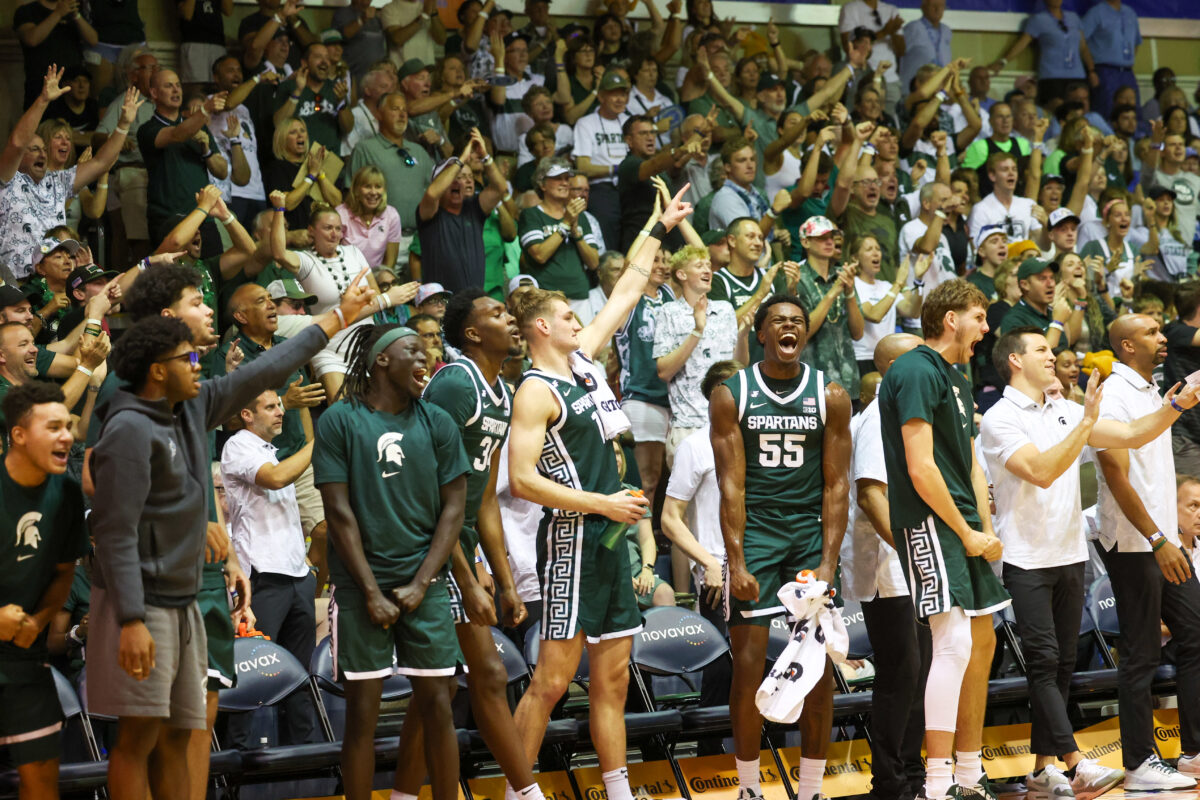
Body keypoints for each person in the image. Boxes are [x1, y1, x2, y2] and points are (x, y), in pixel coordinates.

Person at [88, 274, 373, 800]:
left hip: (187, 595)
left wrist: (337, 319)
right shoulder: (127, 422)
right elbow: (114, 530)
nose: (201, 371)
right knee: (139, 738)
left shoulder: (191, 404)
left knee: (185, 731)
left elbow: (265, 369)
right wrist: (130, 618)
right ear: (159, 364)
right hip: (145, 599)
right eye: (189, 362)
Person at [506, 186, 692, 800]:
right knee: (552, 681)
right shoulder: (535, 390)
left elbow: (625, 291)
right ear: (541, 326)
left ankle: (617, 789)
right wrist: (602, 503)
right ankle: (519, 790)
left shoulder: (584, 361)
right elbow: (523, 480)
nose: (579, 323)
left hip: (612, 540)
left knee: (613, 682)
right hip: (572, 541)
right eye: (567, 317)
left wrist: (659, 228)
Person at [983, 327, 1200, 798]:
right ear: (1016, 361)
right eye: (1041, 349)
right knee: (1044, 662)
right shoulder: (1000, 418)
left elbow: (1134, 433)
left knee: (1060, 665)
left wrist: (1178, 406)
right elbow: (1041, 471)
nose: (1053, 355)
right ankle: (1079, 762)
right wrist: (1083, 424)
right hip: (1025, 556)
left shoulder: (1064, 411)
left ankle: (1042, 770)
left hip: (1070, 553)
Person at [394, 287, 544, 800]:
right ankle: (527, 793)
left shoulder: (501, 390)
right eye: (498, 313)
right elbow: (432, 494)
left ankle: (401, 794)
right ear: (473, 333)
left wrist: (504, 580)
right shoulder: (456, 384)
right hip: (426, 547)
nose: (512, 318)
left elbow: (481, 500)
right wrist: (466, 577)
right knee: (488, 674)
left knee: (438, 687)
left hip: (457, 544)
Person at [710, 293, 852, 800]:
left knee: (816, 667)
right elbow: (731, 487)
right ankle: (749, 788)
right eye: (779, 322)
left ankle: (811, 788)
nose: (789, 327)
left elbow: (837, 486)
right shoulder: (732, 393)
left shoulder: (831, 394)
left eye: (797, 321)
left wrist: (828, 561)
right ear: (762, 333)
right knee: (748, 665)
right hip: (758, 532)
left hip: (807, 533)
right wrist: (738, 559)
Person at [315, 321, 465, 800]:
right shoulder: (340, 420)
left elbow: (454, 509)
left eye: (428, 351)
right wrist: (373, 592)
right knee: (362, 714)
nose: (425, 359)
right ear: (381, 359)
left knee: (439, 706)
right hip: (363, 589)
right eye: (413, 351)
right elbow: (338, 515)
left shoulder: (437, 421)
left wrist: (422, 583)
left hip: (426, 582)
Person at [877, 279, 1010, 800]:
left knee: (982, 641)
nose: (985, 327)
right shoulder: (913, 368)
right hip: (931, 522)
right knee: (952, 643)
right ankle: (936, 785)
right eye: (978, 317)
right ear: (951, 318)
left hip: (963, 525)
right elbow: (920, 467)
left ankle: (969, 773)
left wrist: (987, 529)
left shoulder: (958, 375)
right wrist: (964, 530)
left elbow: (971, 464)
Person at [1093, 314, 1200, 790]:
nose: (1163, 338)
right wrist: (1158, 539)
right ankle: (1138, 763)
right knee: (1139, 655)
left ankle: (1193, 753)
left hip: (1164, 540)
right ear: (1126, 345)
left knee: (1196, 633)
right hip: (1136, 543)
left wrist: (1169, 535)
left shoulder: (1150, 388)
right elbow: (1115, 475)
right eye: (1153, 333)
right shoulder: (1113, 394)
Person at [841, 333, 929, 800]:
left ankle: (914, 777)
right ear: (896, 366)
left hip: (914, 562)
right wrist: (913, 553)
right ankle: (890, 784)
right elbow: (871, 494)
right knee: (901, 674)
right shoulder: (878, 417)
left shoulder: (906, 414)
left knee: (920, 673)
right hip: (889, 566)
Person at [0, 381, 89, 800]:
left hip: (24, 659)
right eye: (52, 427)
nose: (67, 436)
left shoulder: (67, 493)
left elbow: (62, 573)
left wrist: (37, 621)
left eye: (68, 426)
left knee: (42, 786)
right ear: (18, 434)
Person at [219, 388, 317, 745]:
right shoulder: (238, 446)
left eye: (280, 405)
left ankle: (308, 768)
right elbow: (274, 479)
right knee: (251, 675)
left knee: (299, 680)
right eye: (271, 407)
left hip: (297, 577)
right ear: (247, 414)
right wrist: (318, 442)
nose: (280, 412)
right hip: (261, 579)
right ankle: (235, 770)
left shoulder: (270, 451)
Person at [0, 67, 139, 283]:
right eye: (34, 149)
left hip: (56, 283)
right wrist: (44, 100)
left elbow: (102, 162)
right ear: (19, 157)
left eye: (43, 149)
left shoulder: (58, 180)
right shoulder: (7, 180)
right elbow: (17, 142)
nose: (42, 154)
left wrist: (123, 124)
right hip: (18, 284)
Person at [654, 245, 748, 462]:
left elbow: (740, 365)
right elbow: (664, 372)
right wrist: (697, 329)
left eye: (708, 265)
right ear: (681, 274)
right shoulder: (669, 312)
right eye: (699, 265)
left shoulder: (725, 309)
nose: (708, 270)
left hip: (730, 422)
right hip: (688, 425)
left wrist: (742, 337)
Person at [138, 69, 229, 243]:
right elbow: (177, 134)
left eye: (178, 85)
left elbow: (222, 171)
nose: (176, 90)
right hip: (168, 219)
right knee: (171, 271)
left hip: (204, 217)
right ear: (154, 93)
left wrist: (206, 149)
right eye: (168, 86)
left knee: (212, 269)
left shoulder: (199, 127)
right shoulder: (147, 130)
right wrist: (206, 109)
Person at [349, 92, 437, 270]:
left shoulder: (419, 151)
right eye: (395, 109)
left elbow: (435, 191)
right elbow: (351, 196)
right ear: (379, 114)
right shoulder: (365, 149)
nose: (402, 114)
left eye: (404, 110)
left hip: (421, 240)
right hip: (381, 241)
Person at [417, 129, 507, 293]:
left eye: (466, 177)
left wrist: (485, 157)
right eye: (455, 177)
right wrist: (460, 160)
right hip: (441, 304)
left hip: (473, 302)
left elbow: (500, 188)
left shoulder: (474, 208)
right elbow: (432, 193)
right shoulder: (430, 213)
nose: (460, 183)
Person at [517, 159, 601, 321]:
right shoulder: (532, 215)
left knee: (583, 345)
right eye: (557, 178)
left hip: (579, 295)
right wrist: (566, 224)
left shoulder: (580, 217)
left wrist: (576, 231)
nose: (564, 183)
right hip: (547, 297)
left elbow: (594, 263)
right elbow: (539, 255)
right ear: (542, 184)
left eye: (566, 178)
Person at [793, 216, 865, 397]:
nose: (829, 241)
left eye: (832, 237)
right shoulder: (797, 279)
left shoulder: (842, 275)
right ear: (805, 242)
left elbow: (858, 333)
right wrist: (833, 292)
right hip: (813, 383)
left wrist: (849, 293)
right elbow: (803, 333)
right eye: (821, 237)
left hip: (849, 381)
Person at [572, 71, 632, 248]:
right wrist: (616, 169)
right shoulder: (586, 123)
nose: (620, 99)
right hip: (602, 188)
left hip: (629, 188)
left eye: (623, 94)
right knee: (608, 234)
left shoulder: (630, 121)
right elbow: (583, 167)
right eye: (614, 94)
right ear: (601, 96)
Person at [14, 0, 98, 109]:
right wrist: (58, 14)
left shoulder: (72, 10)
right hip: (41, 85)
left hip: (71, 86)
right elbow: (31, 39)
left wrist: (76, 16)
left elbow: (93, 40)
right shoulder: (27, 11)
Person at [273, 43, 353, 153]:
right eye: (318, 57)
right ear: (304, 63)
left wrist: (341, 103)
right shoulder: (289, 87)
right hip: (298, 162)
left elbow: (348, 128)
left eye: (327, 58)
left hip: (329, 162)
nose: (324, 61)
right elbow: (278, 124)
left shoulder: (336, 89)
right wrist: (298, 91)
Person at [1082, 0, 1140, 123]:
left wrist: (1127, 61)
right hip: (1105, 71)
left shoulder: (1130, 13)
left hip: (1127, 72)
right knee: (1107, 112)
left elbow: (1136, 42)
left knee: (1132, 113)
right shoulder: (1096, 12)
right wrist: (1091, 69)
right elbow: (1080, 40)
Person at [338, 165, 403, 273]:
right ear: (356, 190)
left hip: (377, 279)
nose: (373, 192)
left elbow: (390, 264)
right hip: (346, 277)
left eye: (378, 186)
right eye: (367, 186)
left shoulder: (391, 215)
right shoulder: (341, 214)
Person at [898, 0, 951, 101]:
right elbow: (898, 54)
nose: (937, 9)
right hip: (913, 91)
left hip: (938, 92)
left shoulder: (946, 31)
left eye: (941, 6)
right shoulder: (913, 28)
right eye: (933, 6)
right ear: (923, 7)